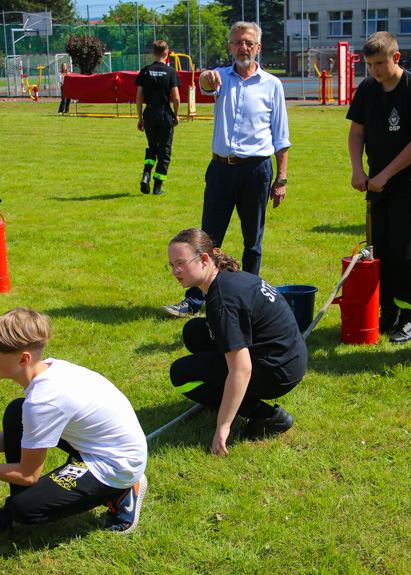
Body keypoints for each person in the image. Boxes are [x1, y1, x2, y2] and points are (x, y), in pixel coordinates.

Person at [0, 308, 148, 539]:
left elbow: (27, 475)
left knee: (26, 510)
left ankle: (120, 492)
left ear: (24, 359)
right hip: (101, 445)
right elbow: (29, 434)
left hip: (116, 464)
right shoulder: (50, 369)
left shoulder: (43, 402)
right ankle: (17, 506)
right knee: (17, 412)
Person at [163, 21, 290, 318]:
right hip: (221, 170)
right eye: (237, 42)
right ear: (230, 47)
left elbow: (281, 137)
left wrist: (281, 178)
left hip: (257, 170)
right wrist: (206, 77)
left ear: (258, 47)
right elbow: (206, 83)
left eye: (248, 42)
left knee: (252, 242)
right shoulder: (221, 77)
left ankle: (250, 298)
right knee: (207, 240)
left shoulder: (272, 85)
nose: (242, 47)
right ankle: (196, 300)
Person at [167, 229, 307, 456]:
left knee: (180, 375)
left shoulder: (222, 301)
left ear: (204, 259)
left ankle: (266, 416)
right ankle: (225, 395)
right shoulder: (229, 277)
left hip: (278, 371)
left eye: (181, 263)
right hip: (289, 354)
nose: (175, 271)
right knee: (193, 332)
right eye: (171, 264)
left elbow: (241, 369)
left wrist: (223, 426)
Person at [347, 31, 411, 344]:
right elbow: (356, 132)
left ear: (396, 58)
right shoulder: (368, 88)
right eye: (369, 64)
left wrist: (385, 175)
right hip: (377, 181)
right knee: (379, 250)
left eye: (380, 63)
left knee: (408, 252)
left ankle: (409, 316)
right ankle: (384, 313)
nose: (374, 70)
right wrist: (359, 169)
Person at [135, 40, 181, 196]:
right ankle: (157, 187)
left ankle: (146, 174)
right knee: (164, 150)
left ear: (153, 53)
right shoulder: (171, 72)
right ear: (167, 52)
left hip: (149, 113)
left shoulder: (145, 71)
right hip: (164, 113)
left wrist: (140, 117)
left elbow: (139, 97)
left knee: (152, 148)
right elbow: (176, 97)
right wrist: (176, 115)